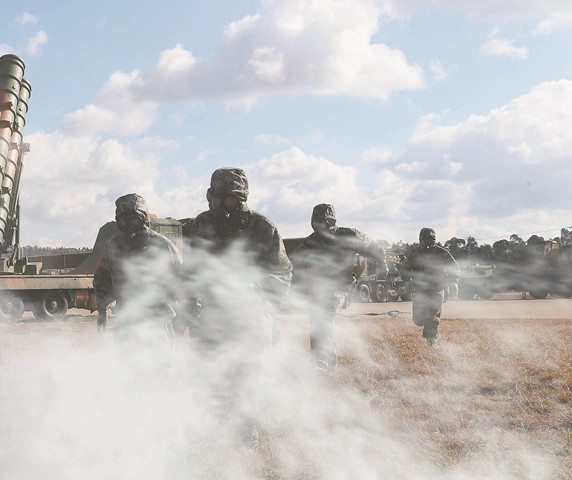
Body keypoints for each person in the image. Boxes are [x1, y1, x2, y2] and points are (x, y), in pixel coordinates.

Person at [182, 168, 292, 443]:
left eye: (230, 199)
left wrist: (253, 288)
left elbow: (282, 274)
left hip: (251, 314)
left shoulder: (263, 227)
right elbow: (192, 269)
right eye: (218, 199)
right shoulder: (202, 224)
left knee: (247, 373)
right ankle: (219, 424)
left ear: (242, 198)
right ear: (210, 197)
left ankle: (246, 432)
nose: (223, 206)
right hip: (212, 312)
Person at [292, 203, 387, 370]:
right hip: (319, 288)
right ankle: (323, 361)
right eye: (315, 223)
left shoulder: (349, 235)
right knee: (317, 321)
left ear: (330, 222)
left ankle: (323, 362)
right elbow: (295, 263)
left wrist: (382, 264)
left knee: (324, 317)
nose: (318, 226)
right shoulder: (310, 242)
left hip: (342, 286)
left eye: (321, 222)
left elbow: (372, 246)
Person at [93, 194, 182, 344]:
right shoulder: (113, 247)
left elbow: (184, 282)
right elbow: (102, 280)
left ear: (144, 219)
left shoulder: (163, 246)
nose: (128, 226)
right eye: (123, 222)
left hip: (157, 325)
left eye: (134, 220)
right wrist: (102, 310)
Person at [401, 227, 459, 346]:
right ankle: (427, 328)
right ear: (420, 240)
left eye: (430, 240)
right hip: (419, 291)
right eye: (425, 240)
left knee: (432, 317)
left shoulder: (442, 253)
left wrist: (453, 282)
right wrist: (406, 280)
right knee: (417, 320)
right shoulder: (415, 253)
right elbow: (405, 268)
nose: (427, 242)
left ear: (434, 240)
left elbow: (455, 268)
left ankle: (432, 340)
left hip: (436, 291)